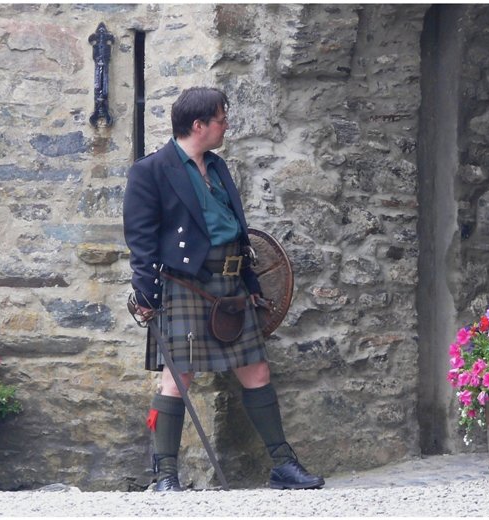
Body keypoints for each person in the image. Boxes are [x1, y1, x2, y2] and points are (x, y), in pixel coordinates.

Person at [122, 87, 324, 492]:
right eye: (221, 119)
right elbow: (140, 240)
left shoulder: (216, 167)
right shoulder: (152, 171)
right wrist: (146, 295)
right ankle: (165, 475)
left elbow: (238, 231)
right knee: (177, 378)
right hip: (187, 283)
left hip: (231, 283)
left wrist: (251, 283)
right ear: (198, 125)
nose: (226, 125)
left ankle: (283, 466)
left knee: (257, 369)